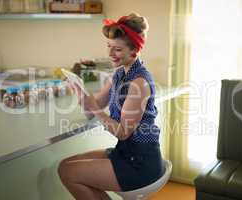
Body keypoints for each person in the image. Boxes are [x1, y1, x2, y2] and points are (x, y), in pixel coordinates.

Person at [58, 13, 164, 200]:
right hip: (124, 152)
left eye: (117, 49)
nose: (109, 54)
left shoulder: (139, 82)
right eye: (109, 46)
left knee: (68, 172)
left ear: (134, 50)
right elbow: (93, 109)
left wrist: (97, 110)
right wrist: (78, 90)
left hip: (140, 162)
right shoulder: (117, 75)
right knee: (66, 165)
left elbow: (123, 132)